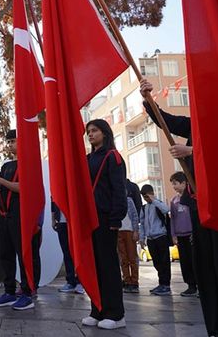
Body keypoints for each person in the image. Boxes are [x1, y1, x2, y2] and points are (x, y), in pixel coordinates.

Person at [140, 79, 218, 336]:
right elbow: (166, 120)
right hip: (198, 206)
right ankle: (216, 327)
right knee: (206, 269)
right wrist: (149, 100)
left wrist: (190, 150)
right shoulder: (195, 124)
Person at [82, 119, 127, 330]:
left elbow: (119, 189)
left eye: (95, 130)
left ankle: (116, 314)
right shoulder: (88, 158)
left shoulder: (112, 156)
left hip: (106, 218)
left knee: (108, 266)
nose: (90, 134)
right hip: (89, 219)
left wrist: (116, 217)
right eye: (88, 131)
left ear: (105, 133)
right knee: (95, 266)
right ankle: (97, 310)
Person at [0, 130, 38, 310]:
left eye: (13, 141)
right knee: (6, 254)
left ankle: (27, 292)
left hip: (21, 215)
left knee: (23, 254)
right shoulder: (7, 166)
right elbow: (1, 191)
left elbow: (23, 187)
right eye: (7, 142)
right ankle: (9, 291)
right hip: (5, 216)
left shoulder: (28, 163)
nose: (10, 145)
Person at [139, 184, 172, 296]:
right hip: (151, 239)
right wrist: (142, 237)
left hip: (161, 237)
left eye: (147, 196)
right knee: (157, 262)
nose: (146, 199)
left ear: (151, 194)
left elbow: (166, 209)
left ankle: (166, 285)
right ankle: (161, 283)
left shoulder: (158, 204)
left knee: (164, 262)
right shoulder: (144, 208)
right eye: (144, 197)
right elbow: (142, 224)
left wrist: (154, 200)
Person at [169, 172, 197, 297]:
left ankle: (199, 285)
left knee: (194, 260)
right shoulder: (174, 201)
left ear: (184, 183)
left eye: (175, 183)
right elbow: (172, 219)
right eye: (172, 184)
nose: (174, 186)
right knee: (184, 262)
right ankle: (190, 286)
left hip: (191, 234)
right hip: (180, 236)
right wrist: (174, 235)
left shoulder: (191, 198)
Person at [51, 201, 85, 294]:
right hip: (62, 222)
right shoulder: (57, 187)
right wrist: (53, 219)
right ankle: (70, 281)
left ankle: (80, 281)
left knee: (78, 252)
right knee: (66, 252)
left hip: (75, 222)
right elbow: (53, 201)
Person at [117, 190, 140, 294]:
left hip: (129, 231)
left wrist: (136, 231)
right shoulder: (114, 201)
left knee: (132, 257)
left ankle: (134, 282)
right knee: (123, 259)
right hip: (118, 231)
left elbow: (135, 216)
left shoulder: (129, 201)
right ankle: (126, 280)